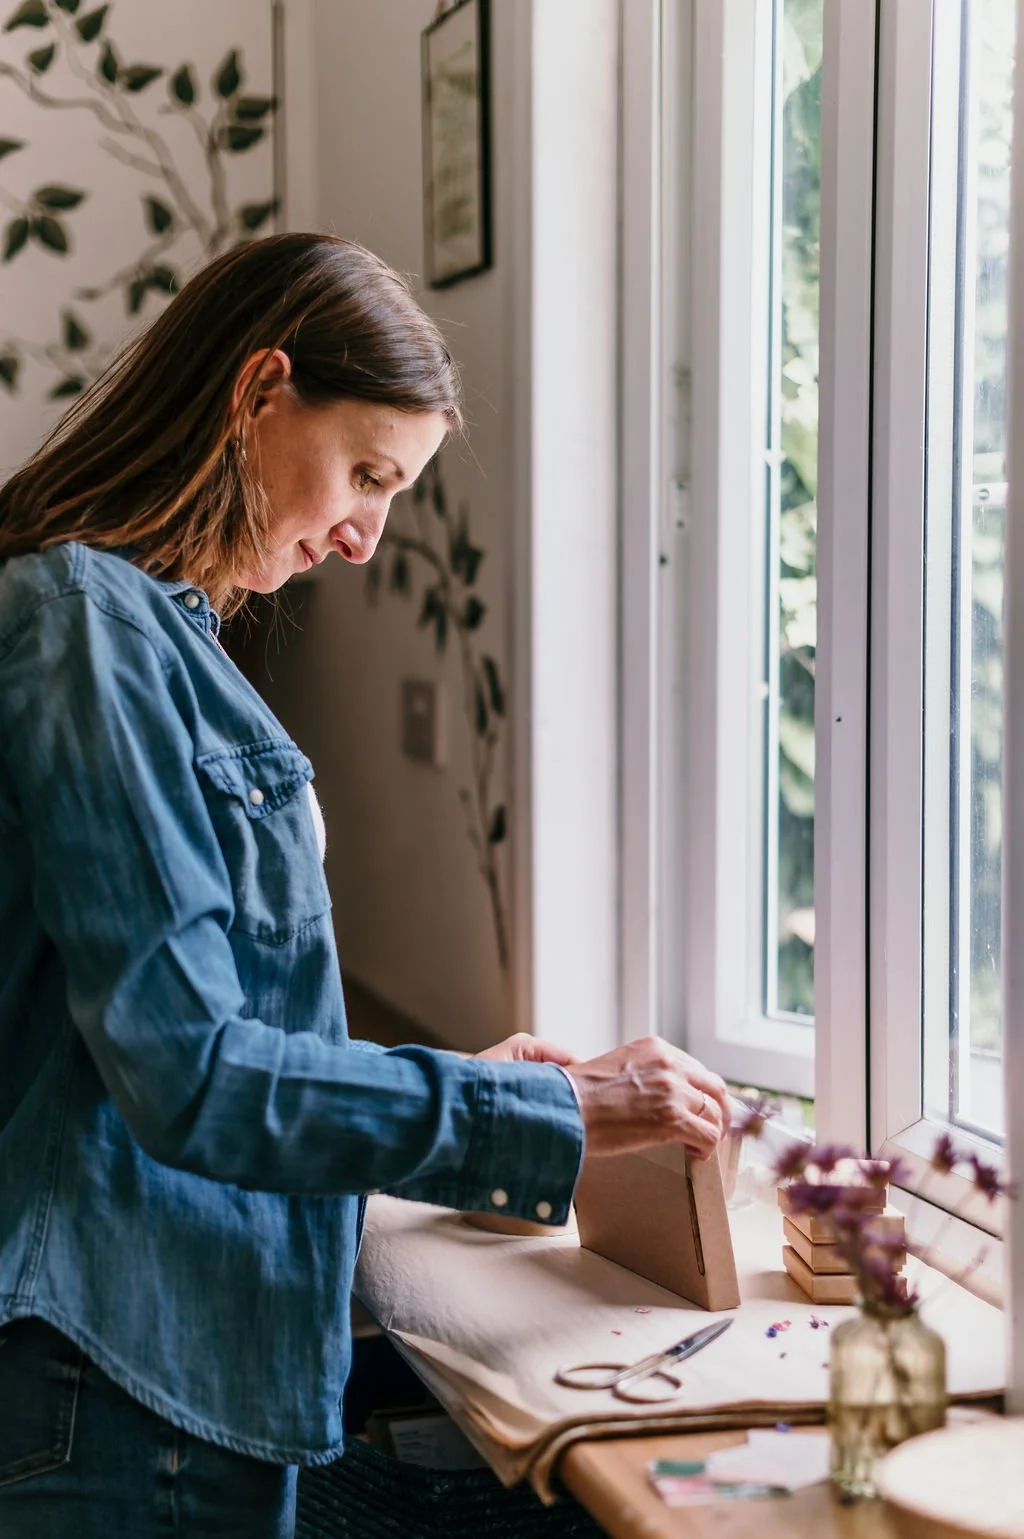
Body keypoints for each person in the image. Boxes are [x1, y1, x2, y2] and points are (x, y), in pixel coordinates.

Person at [0, 233, 729, 1538]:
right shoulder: (81, 622)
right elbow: (200, 1074)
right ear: (259, 392)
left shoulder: (164, 639)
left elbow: (202, 1047)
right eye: (367, 473)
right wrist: (542, 1104)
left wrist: (469, 1100)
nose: (363, 537)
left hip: (167, 1358)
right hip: (113, 1377)